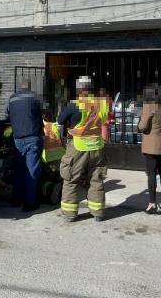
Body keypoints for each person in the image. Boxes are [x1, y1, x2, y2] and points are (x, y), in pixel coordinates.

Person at [57, 76, 110, 222]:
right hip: (97, 147)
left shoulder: (74, 105)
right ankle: (98, 212)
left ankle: (69, 213)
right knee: (96, 179)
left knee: (71, 179)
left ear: (79, 89)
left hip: (78, 147)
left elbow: (60, 120)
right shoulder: (102, 104)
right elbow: (104, 121)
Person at [6, 79, 44, 212]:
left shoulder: (11, 99)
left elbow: (8, 115)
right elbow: (41, 114)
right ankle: (30, 203)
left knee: (19, 170)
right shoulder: (35, 97)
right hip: (32, 137)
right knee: (31, 170)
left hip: (17, 138)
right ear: (30, 87)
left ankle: (16, 199)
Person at [137, 84, 161, 214]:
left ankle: (152, 204)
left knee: (151, 174)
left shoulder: (148, 106)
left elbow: (142, 127)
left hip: (151, 145)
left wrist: (140, 121)